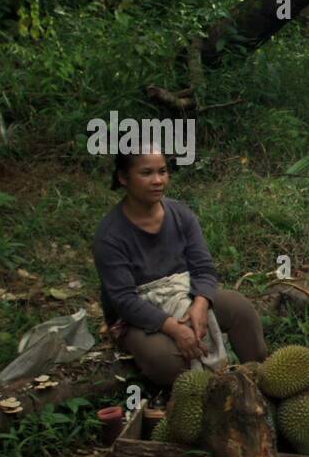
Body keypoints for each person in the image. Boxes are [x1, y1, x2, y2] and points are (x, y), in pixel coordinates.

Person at [92, 147, 267, 388]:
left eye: (162, 172)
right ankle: (200, 395)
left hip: (184, 292)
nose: (158, 181)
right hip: (136, 316)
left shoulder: (181, 215)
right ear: (123, 178)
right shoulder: (110, 235)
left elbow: (203, 268)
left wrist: (201, 302)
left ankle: (256, 381)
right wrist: (173, 328)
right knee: (165, 360)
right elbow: (124, 300)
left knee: (240, 309)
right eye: (146, 173)